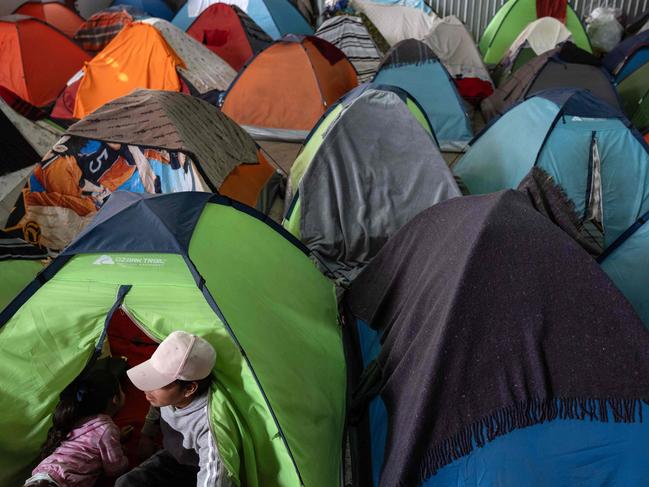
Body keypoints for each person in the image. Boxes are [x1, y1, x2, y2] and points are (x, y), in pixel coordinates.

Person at [115, 331, 231, 487]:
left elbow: (214, 478)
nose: (147, 389)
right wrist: (147, 434)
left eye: (157, 383)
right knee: (126, 483)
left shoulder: (210, 427)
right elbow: (155, 405)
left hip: (196, 467)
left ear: (189, 388)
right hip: (173, 455)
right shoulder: (166, 397)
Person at [24, 369, 130, 487]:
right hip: (65, 481)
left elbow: (87, 441)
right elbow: (115, 468)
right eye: (121, 390)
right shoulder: (106, 429)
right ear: (115, 399)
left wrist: (117, 438)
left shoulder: (74, 416)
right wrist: (124, 456)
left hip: (44, 473)